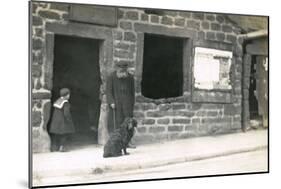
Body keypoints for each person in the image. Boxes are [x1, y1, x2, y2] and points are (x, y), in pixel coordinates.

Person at [106, 62, 136, 148]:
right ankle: (116, 142)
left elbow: (132, 92)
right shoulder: (111, 77)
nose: (123, 72)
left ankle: (128, 142)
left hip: (127, 104)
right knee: (117, 123)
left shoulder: (130, 78)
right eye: (121, 70)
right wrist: (111, 101)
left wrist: (132, 103)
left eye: (124, 70)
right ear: (117, 69)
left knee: (128, 123)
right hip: (116, 104)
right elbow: (108, 91)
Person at [49, 88, 75, 152]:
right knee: (64, 134)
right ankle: (62, 147)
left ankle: (54, 147)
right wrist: (69, 120)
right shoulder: (65, 103)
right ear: (66, 95)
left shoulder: (58, 101)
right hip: (63, 122)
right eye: (68, 94)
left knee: (56, 134)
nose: (69, 96)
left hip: (56, 121)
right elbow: (66, 113)